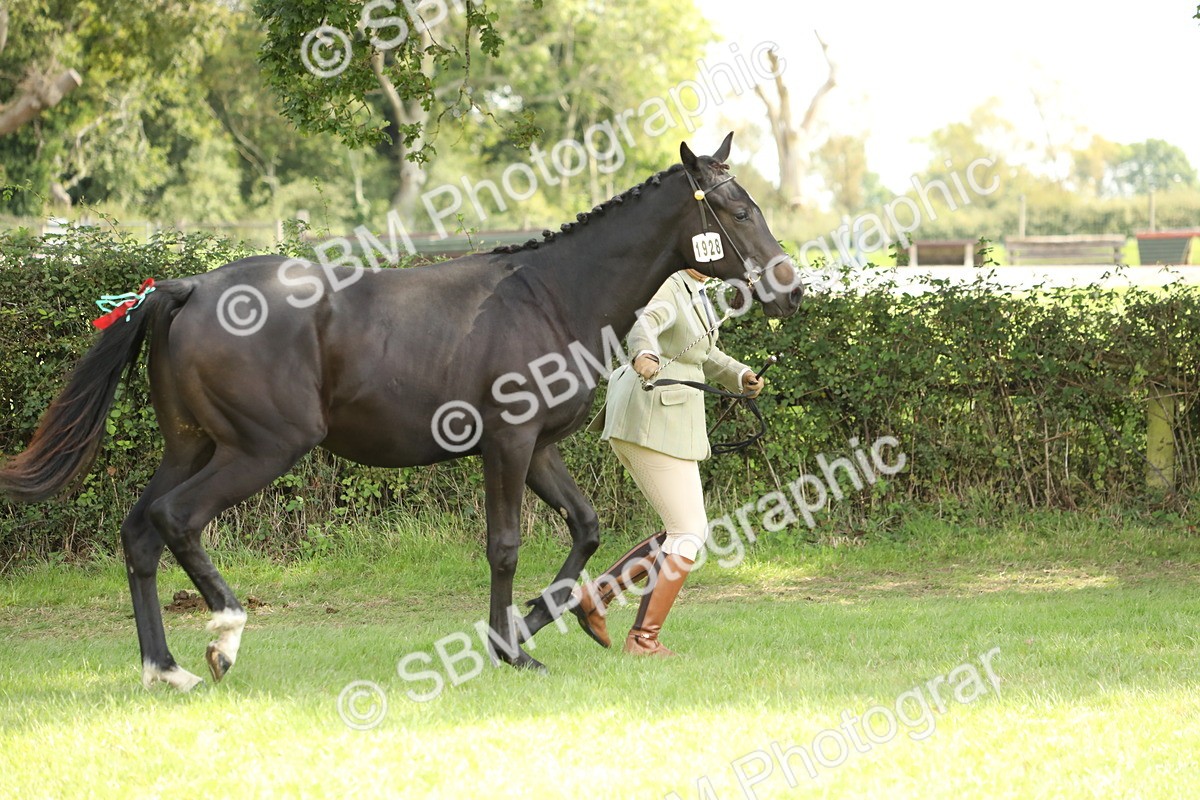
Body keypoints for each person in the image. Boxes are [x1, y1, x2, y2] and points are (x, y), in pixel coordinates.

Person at [577, 268, 764, 656]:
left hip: (662, 421)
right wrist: (643, 353)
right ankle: (642, 639)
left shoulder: (696, 289)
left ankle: (598, 596)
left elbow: (702, 351)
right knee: (688, 533)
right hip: (650, 416)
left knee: (683, 530)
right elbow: (644, 322)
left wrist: (740, 374)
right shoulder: (666, 283)